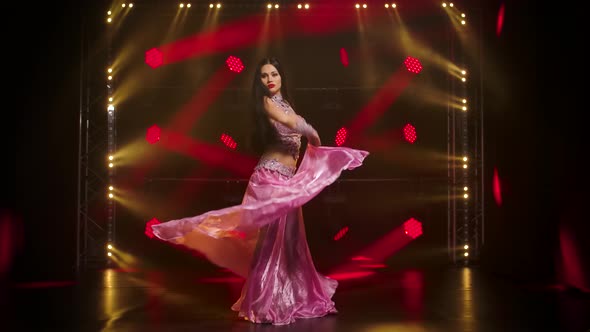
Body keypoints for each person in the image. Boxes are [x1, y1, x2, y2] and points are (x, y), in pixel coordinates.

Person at [151, 57, 369, 325]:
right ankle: (265, 301)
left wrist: (313, 140)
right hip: (270, 178)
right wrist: (312, 134)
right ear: (260, 83)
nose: (270, 79)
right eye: (264, 76)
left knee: (290, 244)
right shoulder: (269, 104)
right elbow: (292, 123)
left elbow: (296, 125)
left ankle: (294, 297)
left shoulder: (286, 103)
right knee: (269, 243)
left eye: (274, 73)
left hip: (286, 180)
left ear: (281, 76)